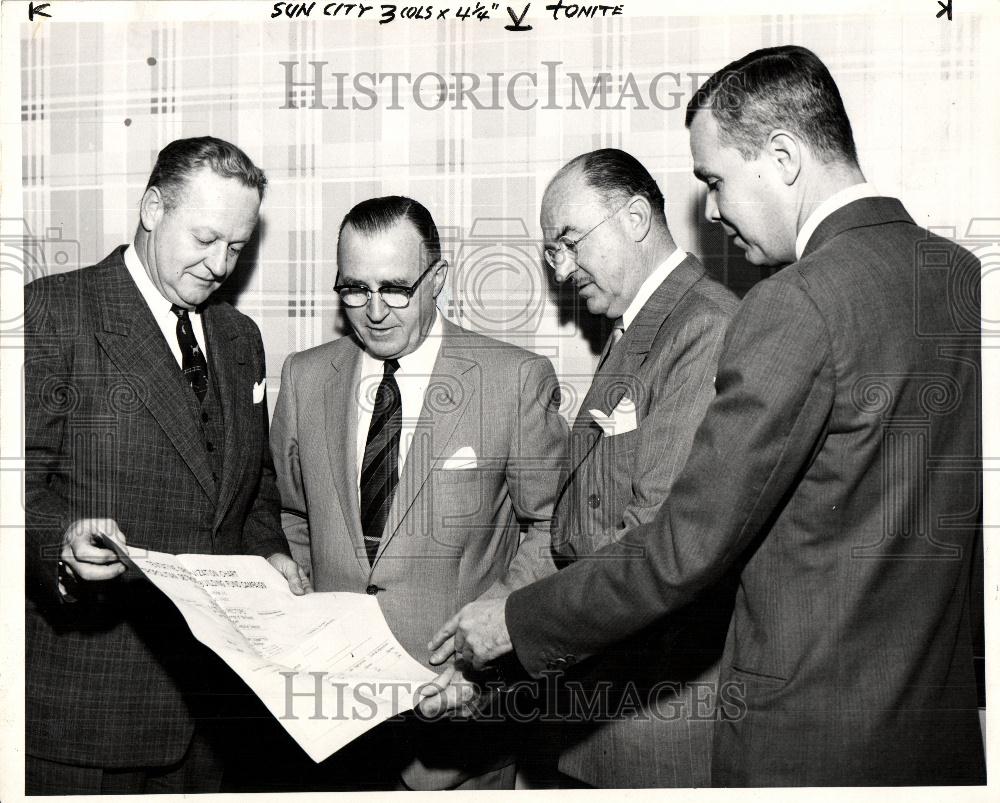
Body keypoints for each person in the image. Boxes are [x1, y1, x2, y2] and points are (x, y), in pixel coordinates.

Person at [430, 45, 985, 786]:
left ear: (783, 157)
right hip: (932, 730)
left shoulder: (793, 303)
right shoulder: (954, 271)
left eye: (715, 180)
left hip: (805, 742)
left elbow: (682, 549)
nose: (713, 209)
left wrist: (516, 621)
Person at [24, 136, 309, 794]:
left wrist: (270, 552)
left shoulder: (240, 339)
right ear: (153, 208)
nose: (220, 264)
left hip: (214, 716)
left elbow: (251, 486)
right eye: (206, 237)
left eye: (237, 247)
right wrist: (60, 542)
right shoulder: (53, 313)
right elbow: (16, 488)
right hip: (87, 715)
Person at [269, 195, 567, 790]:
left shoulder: (513, 381)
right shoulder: (304, 377)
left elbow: (552, 530)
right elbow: (294, 514)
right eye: (354, 289)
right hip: (332, 732)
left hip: (459, 727)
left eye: (396, 288)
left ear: (439, 279)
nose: (375, 311)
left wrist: (488, 643)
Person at [530, 148, 737, 787]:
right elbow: (575, 518)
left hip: (653, 725)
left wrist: (515, 629)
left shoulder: (704, 327)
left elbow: (652, 542)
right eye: (551, 252)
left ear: (638, 217)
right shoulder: (643, 327)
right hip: (605, 712)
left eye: (569, 242)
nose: (562, 270)